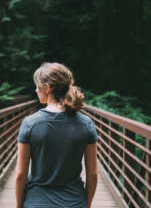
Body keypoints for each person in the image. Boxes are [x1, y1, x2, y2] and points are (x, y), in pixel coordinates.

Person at [14, 62, 98, 208]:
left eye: (37, 86)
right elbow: (93, 175)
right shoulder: (86, 124)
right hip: (74, 202)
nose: (35, 90)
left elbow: (20, 175)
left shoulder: (30, 123)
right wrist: (87, 205)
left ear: (47, 88)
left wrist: (18, 206)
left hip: (36, 203)